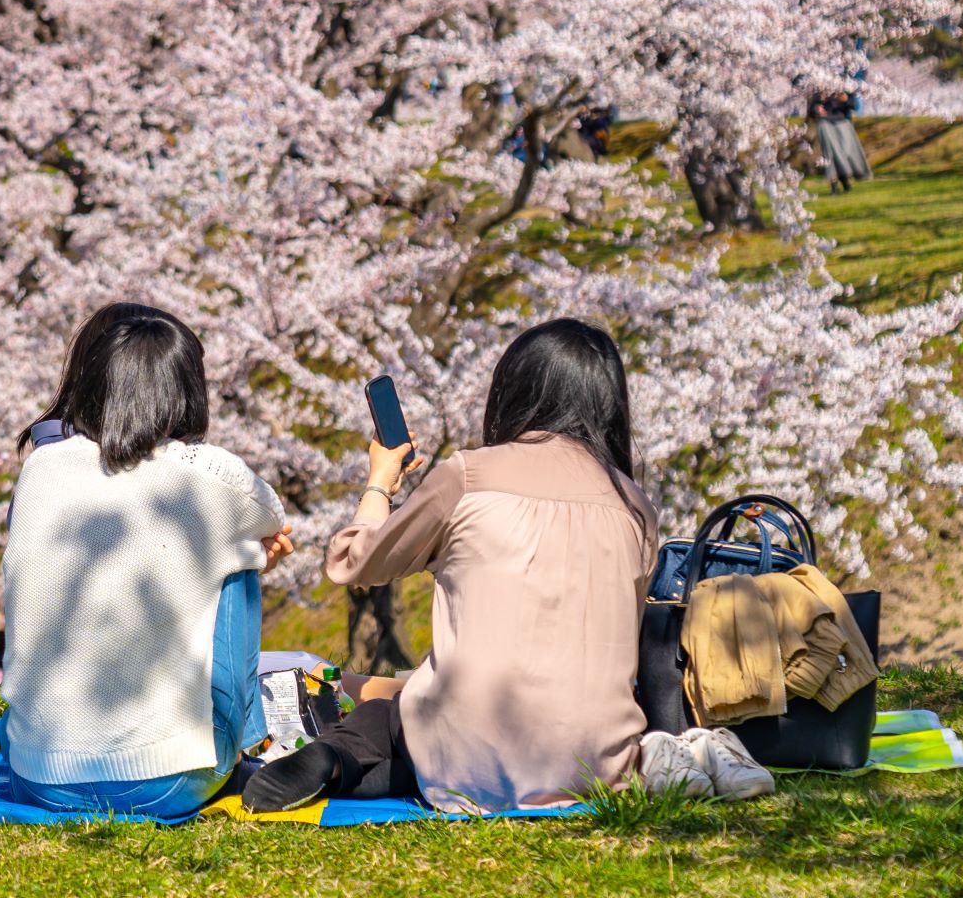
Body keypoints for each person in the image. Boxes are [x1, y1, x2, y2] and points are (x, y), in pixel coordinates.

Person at [244, 319, 733, 815]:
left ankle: (333, 757)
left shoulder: (469, 475)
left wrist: (381, 481)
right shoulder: (635, 505)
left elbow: (354, 562)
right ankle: (350, 763)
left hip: (468, 748)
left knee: (384, 721)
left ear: (512, 391)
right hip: (597, 762)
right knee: (416, 724)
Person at [0, 303, 295, 820]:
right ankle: (247, 746)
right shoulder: (211, 474)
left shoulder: (40, 468)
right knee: (238, 564)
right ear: (186, 389)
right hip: (168, 780)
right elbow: (274, 517)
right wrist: (248, 550)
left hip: (36, 775)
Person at [808, 90, 871, 194]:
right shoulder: (820, 84)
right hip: (825, 123)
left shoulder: (844, 83)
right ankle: (834, 186)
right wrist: (816, 108)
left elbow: (854, 105)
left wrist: (846, 99)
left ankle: (845, 180)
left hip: (843, 123)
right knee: (830, 154)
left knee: (845, 153)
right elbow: (813, 107)